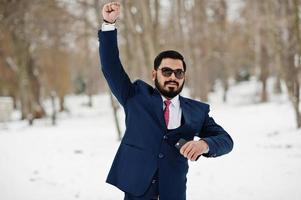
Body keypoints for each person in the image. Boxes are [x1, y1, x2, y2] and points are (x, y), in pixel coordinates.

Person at [98, 2, 233, 200]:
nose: (173, 77)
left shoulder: (197, 111)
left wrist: (204, 144)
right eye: (166, 71)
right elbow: (111, 67)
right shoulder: (135, 96)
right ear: (154, 74)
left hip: (174, 193)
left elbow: (226, 141)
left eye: (179, 72)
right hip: (138, 190)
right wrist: (108, 25)